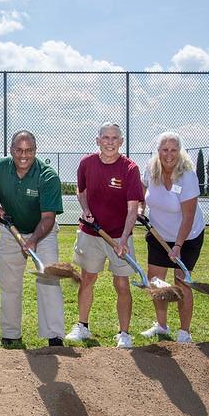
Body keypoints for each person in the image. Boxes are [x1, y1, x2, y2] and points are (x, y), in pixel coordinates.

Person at [0, 130, 65, 348]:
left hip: (43, 233)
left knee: (49, 280)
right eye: (18, 150)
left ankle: (54, 335)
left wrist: (33, 240)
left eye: (29, 151)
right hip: (11, 230)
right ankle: (10, 334)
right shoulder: (0, 168)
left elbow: (48, 218)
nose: (23, 155)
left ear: (35, 151)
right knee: (9, 284)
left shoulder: (48, 176)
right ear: (11, 150)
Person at [66, 122, 144, 348]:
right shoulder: (86, 164)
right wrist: (86, 209)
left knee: (121, 284)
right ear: (97, 140)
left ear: (121, 142)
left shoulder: (130, 168)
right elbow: (82, 192)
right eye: (105, 138)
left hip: (120, 236)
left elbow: (133, 208)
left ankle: (124, 334)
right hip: (91, 233)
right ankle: (82, 327)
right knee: (88, 278)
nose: (110, 142)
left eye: (114, 138)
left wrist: (124, 238)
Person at [139, 132, 206, 344]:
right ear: (158, 151)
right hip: (159, 235)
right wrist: (141, 208)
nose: (169, 155)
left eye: (174, 150)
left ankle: (184, 332)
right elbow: (143, 193)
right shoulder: (151, 169)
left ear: (180, 151)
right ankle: (161, 325)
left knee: (181, 281)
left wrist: (177, 245)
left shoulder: (187, 176)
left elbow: (188, 217)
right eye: (164, 149)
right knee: (156, 281)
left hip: (187, 236)